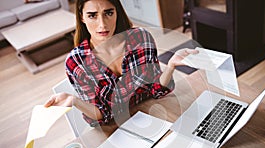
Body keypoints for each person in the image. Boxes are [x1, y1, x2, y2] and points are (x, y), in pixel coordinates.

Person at [44, 0, 198, 126]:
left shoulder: (141, 39)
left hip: (155, 115)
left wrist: (170, 66)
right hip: (115, 129)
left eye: (108, 13)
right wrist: (74, 101)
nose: (102, 24)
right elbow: (102, 115)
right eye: (92, 16)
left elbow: (156, 88)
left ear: (117, 12)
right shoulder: (76, 63)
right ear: (82, 17)